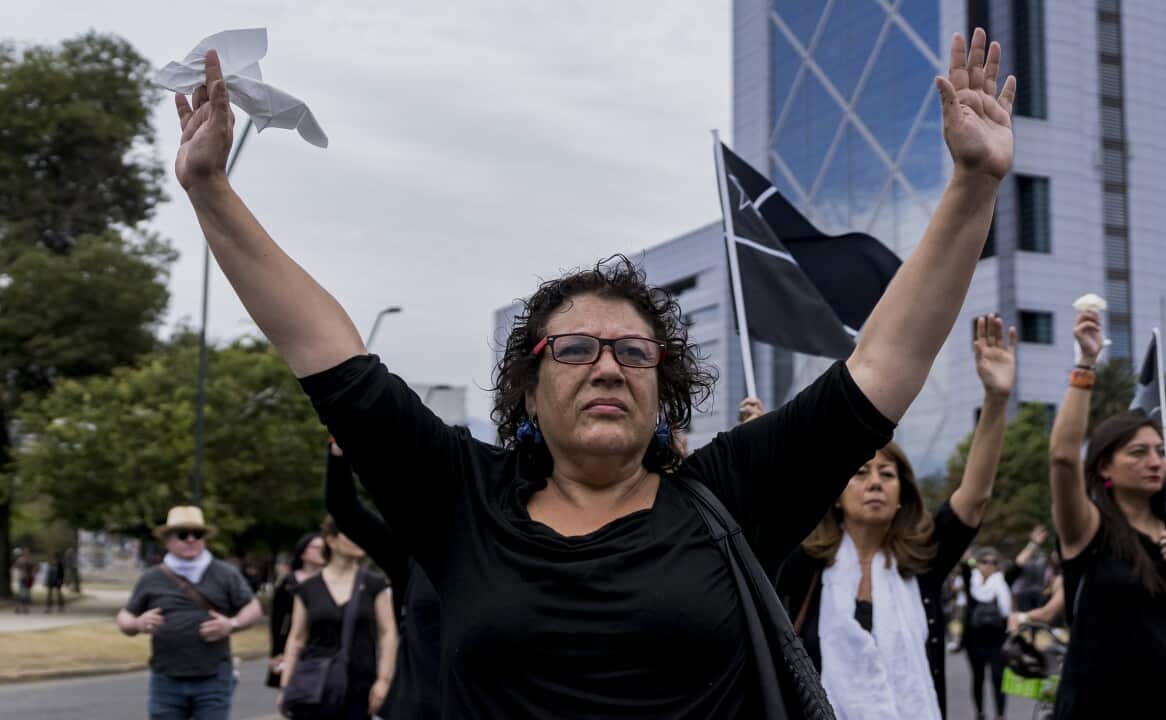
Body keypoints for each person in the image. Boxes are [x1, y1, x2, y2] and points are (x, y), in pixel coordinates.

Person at [171, 26, 1014, 716]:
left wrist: (973, 184)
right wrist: (211, 190)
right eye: (575, 349)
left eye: (633, 351)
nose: (607, 366)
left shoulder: (731, 495)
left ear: (663, 387)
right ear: (528, 390)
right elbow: (327, 349)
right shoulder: (459, 496)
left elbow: (886, 361)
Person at [775, 313, 1017, 719]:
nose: (874, 482)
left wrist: (996, 400)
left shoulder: (923, 561)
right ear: (836, 495)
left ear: (902, 494)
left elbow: (974, 498)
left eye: (887, 474)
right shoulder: (804, 565)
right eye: (859, 473)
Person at [1046, 309, 1166, 719]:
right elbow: (1062, 458)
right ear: (1104, 467)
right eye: (1138, 452)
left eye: (1161, 452)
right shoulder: (1088, 528)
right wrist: (1085, 364)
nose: (1155, 462)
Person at [327, 439, 441, 718]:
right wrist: (338, 450)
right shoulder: (412, 554)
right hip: (417, 705)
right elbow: (345, 510)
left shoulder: (493, 547)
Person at [117, 506, 262, 720]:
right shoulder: (152, 577)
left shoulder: (224, 573)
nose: (191, 539)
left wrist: (231, 624)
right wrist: (138, 624)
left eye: (198, 534)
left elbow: (253, 607)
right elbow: (124, 617)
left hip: (213, 679)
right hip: (166, 680)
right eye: (183, 534)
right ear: (168, 541)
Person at [280, 517, 398, 720]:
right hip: (315, 688)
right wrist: (286, 685)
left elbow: (388, 633)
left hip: (361, 688)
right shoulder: (308, 588)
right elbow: (296, 638)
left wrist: (384, 680)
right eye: (351, 533)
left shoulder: (374, 584)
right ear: (331, 540)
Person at [960, 546, 1014, 720]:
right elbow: (963, 563)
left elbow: (1019, 566)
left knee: (998, 679)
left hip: (997, 641)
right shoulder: (971, 582)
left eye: (993, 562)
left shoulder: (1002, 583)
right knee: (978, 679)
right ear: (977, 564)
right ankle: (980, 713)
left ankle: (1000, 715)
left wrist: (1033, 545)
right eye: (984, 561)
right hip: (974, 641)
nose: (989, 565)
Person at [266, 532, 324, 688]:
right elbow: (277, 620)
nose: (321, 551)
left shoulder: (330, 581)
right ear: (303, 552)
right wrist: (277, 652)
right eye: (315, 547)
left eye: (323, 548)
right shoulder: (289, 582)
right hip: (294, 641)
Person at [1009, 525, 1050, 611]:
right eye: (1037, 532)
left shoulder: (1043, 555)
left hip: (1038, 595)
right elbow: (1020, 562)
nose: (1040, 535)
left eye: (1042, 532)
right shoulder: (1025, 550)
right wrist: (1034, 544)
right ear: (1031, 534)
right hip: (1022, 595)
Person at [13, 548, 35, 614]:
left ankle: (25, 607)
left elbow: (34, 569)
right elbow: (16, 566)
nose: (26, 554)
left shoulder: (30, 560)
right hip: (22, 579)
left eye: (27, 552)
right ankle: (18, 607)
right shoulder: (21, 560)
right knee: (21, 593)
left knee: (26, 594)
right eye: (25, 552)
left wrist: (32, 576)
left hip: (28, 579)